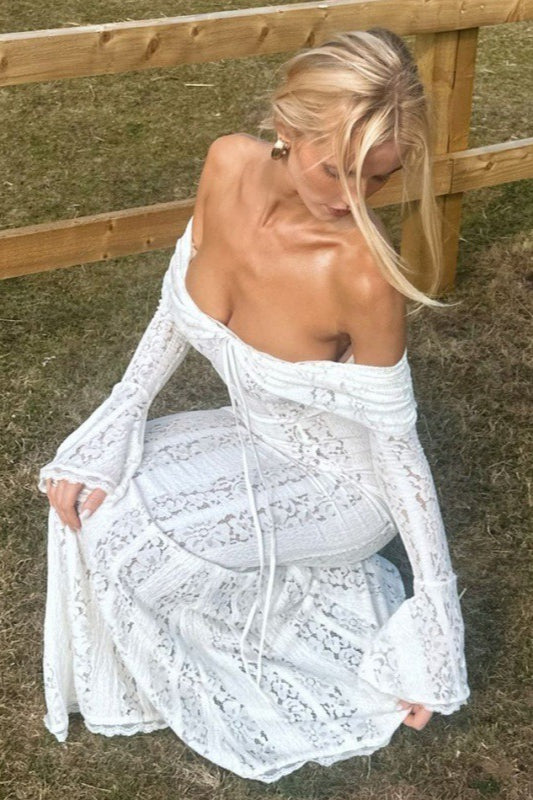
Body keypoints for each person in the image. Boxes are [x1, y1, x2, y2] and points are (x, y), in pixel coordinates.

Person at [38, 28, 470, 783]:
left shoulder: (362, 275)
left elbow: (397, 454)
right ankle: (296, 598)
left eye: (379, 179)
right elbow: (179, 306)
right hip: (255, 435)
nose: (351, 200)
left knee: (128, 541)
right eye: (336, 171)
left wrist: (437, 622)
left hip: (346, 487)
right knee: (82, 494)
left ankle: (332, 603)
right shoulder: (226, 164)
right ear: (286, 127)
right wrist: (121, 413)